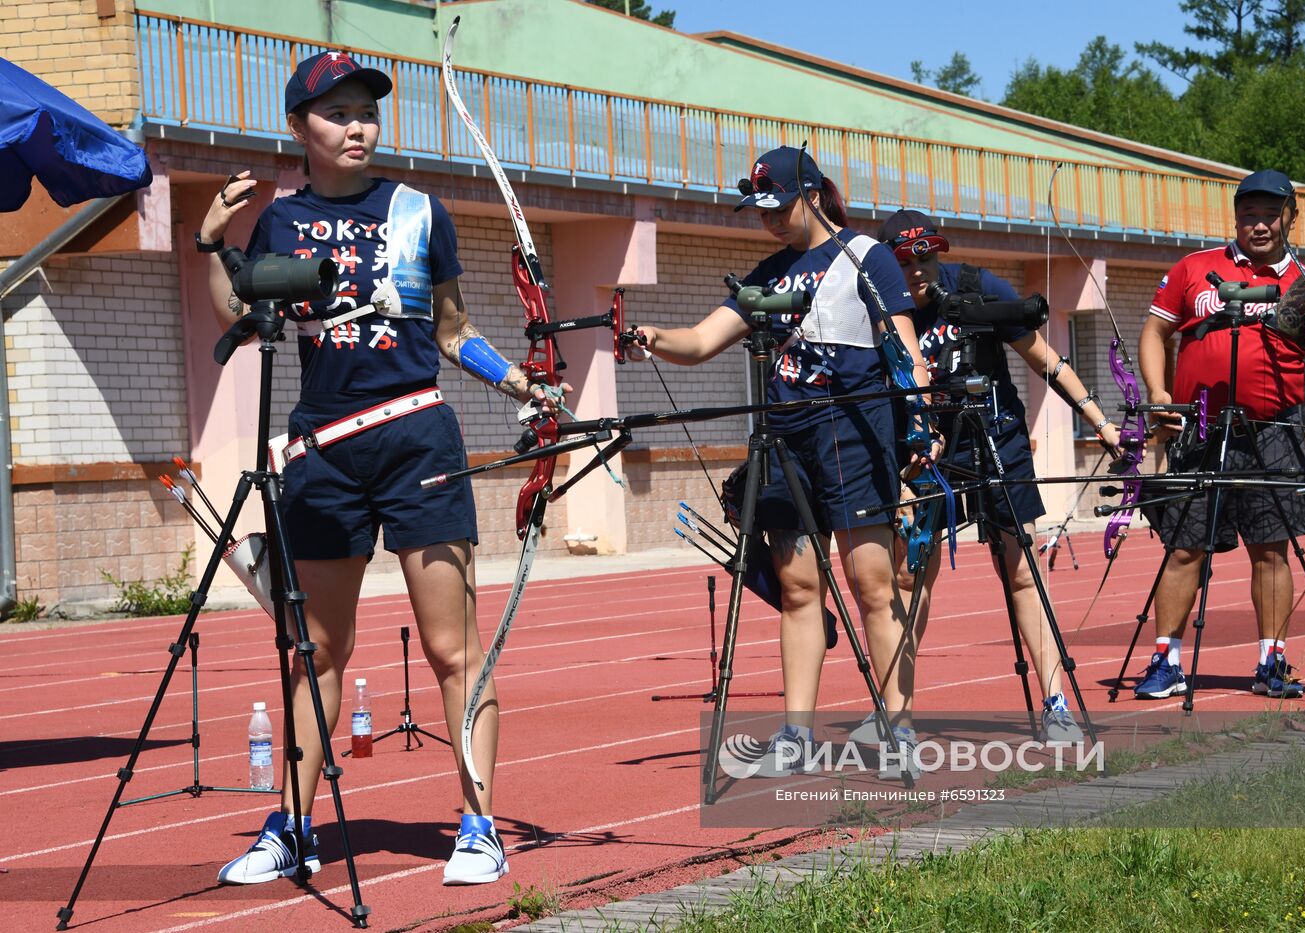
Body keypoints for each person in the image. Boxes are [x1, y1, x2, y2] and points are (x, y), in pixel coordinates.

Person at [198, 51, 559, 887]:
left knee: (451, 647)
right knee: (313, 649)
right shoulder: (280, 221)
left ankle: (478, 824)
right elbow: (242, 317)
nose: (356, 124)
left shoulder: (418, 211)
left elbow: (450, 329)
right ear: (300, 127)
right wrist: (211, 241)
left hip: (415, 440)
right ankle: (289, 825)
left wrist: (520, 381)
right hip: (322, 449)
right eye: (335, 112)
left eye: (366, 110)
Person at [628, 147, 934, 778]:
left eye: (778, 207)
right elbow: (703, 340)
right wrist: (653, 339)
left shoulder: (866, 256)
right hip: (786, 439)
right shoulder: (767, 272)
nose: (768, 221)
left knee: (873, 585)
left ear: (812, 195)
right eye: (758, 212)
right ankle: (796, 738)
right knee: (798, 590)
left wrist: (920, 424)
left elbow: (904, 346)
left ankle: (898, 728)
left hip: (852, 434)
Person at [873, 210, 1119, 744]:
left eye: (924, 257)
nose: (916, 271)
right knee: (909, 578)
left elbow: (1043, 359)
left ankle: (1056, 705)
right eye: (901, 261)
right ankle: (894, 713)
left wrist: (1101, 422)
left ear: (938, 254)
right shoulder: (877, 307)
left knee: (1023, 569)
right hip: (925, 454)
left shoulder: (976, 286)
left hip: (997, 440)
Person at [1134, 169, 1305, 701]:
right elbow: (1155, 332)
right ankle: (1165, 662)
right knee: (1184, 548)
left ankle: (1271, 662)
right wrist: (1159, 396)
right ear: (1235, 217)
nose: (1259, 223)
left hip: (1273, 432)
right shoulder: (1194, 268)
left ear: (1290, 216)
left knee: (1271, 551)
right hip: (1198, 431)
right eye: (1248, 213)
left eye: (1270, 213)